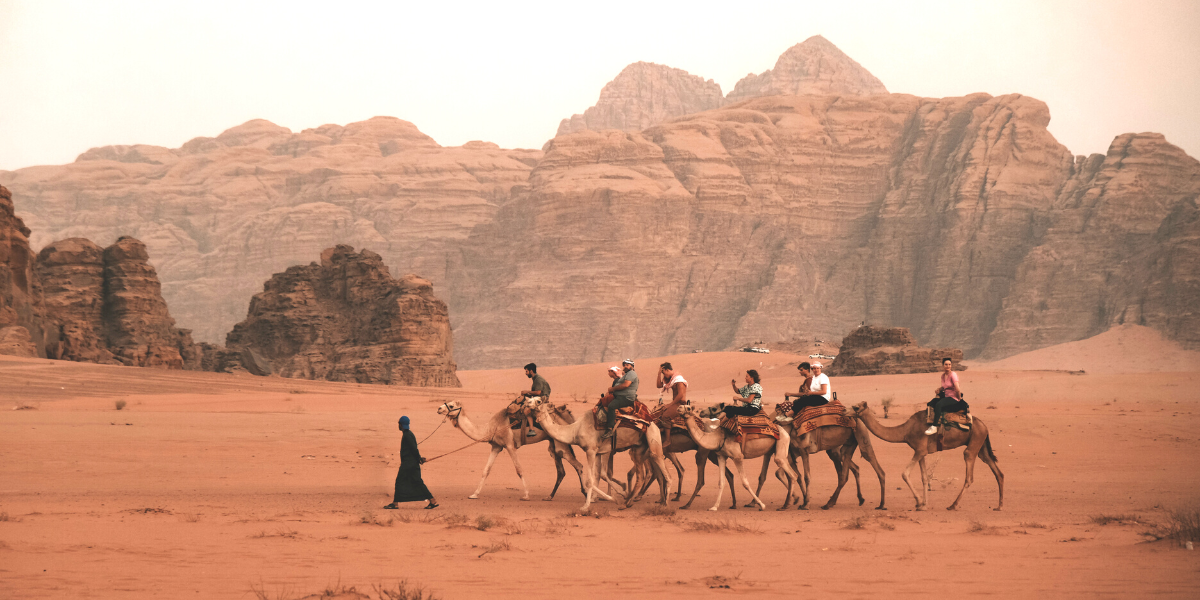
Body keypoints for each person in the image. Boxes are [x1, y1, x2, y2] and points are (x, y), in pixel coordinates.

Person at [384, 416, 438, 510]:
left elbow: (414, 449)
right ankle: (432, 500)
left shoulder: (407, 435)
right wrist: (419, 459)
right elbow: (414, 449)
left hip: (408, 464)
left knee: (400, 482)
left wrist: (419, 458)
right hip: (411, 464)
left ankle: (395, 504)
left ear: (400, 425)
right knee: (417, 482)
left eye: (399, 424)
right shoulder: (409, 434)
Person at [926, 357, 969, 435]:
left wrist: (959, 399)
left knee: (939, 404)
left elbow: (957, 389)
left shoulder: (953, 375)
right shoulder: (943, 376)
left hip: (953, 397)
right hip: (946, 395)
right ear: (943, 365)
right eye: (946, 364)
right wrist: (939, 389)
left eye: (949, 364)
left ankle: (934, 426)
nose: (948, 366)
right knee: (932, 402)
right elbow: (945, 386)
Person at [601, 359, 639, 439]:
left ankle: (610, 429)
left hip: (626, 398)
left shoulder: (631, 373)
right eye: (624, 365)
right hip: (620, 396)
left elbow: (626, 385)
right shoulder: (627, 374)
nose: (625, 366)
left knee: (611, 406)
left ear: (632, 366)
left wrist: (613, 389)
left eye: (627, 365)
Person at [518, 362, 551, 438]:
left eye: (526, 371)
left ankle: (531, 430)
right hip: (539, 397)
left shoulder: (538, 379)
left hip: (542, 398)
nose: (525, 373)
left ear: (531, 371)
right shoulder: (535, 378)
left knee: (527, 410)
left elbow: (539, 392)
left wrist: (527, 392)